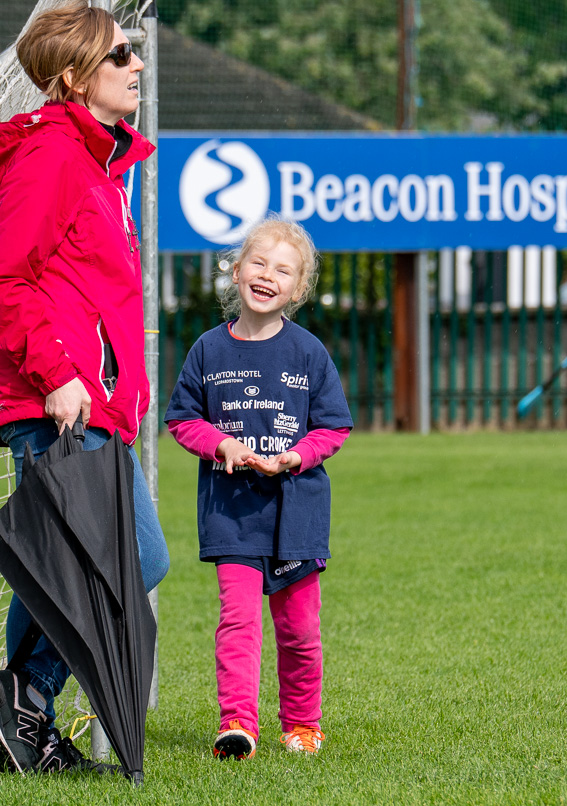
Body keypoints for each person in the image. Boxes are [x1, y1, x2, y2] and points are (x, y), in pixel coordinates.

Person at [0, 1, 169, 775]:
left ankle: (25, 711)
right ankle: (24, 695)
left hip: (91, 405)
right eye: (121, 56)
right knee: (131, 562)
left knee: (76, 564)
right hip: (55, 403)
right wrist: (58, 373)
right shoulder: (53, 154)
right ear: (74, 77)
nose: (137, 66)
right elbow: (3, 282)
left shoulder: (97, 160)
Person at [164, 216, 353, 760]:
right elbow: (182, 419)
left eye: (283, 270)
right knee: (238, 622)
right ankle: (238, 724)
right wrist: (219, 445)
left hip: (297, 515)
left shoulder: (310, 353)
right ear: (237, 268)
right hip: (233, 512)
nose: (268, 275)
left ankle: (301, 724)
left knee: (298, 631)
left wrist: (295, 456)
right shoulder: (207, 350)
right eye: (259, 262)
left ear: (298, 288)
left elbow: (334, 426)